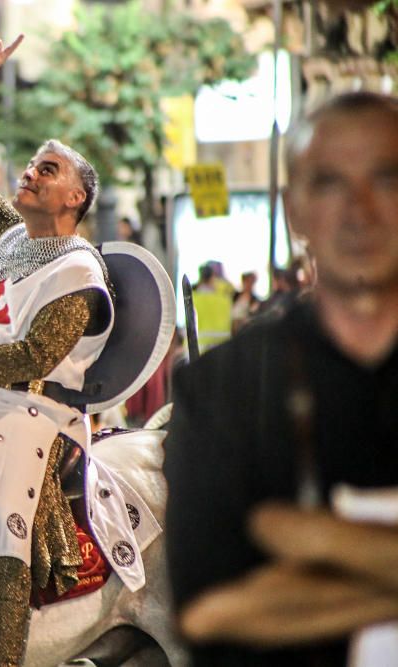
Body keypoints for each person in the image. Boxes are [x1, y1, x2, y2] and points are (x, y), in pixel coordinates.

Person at [0, 34, 157, 666]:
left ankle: (8, 657)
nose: (31, 172)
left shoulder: (80, 273)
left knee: (2, 515)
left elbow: (28, 360)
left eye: (49, 169)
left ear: (76, 198)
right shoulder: (8, 238)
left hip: (29, 419)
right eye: (31, 164)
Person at [164, 92, 398, 665]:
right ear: (295, 211)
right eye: (328, 184)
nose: (359, 210)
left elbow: (241, 605)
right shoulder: (226, 388)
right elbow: (207, 613)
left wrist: (315, 539)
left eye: (386, 178)